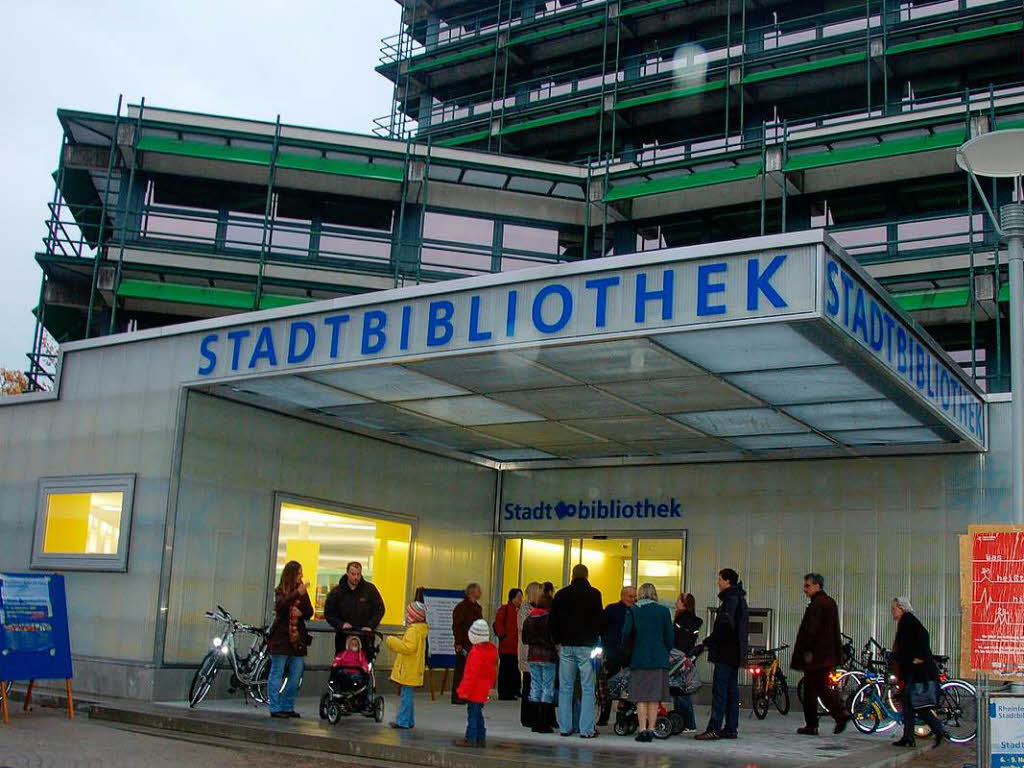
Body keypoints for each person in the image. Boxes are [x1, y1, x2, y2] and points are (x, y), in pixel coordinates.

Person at [792, 573, 850, 736]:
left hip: (817, 656)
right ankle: (821, 720)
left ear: (817, 585)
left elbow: (813, 629)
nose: (805, 589)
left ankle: (833, 716)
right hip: (825, 655)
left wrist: (807, 650)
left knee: (815, 688)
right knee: (815, 688)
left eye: (807, 586)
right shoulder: (828, 602)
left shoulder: (818, 604)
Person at [549, 563, 603, 738]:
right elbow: (599, 620)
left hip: (566, 646)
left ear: (572, 575)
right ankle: (586, 729)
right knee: (588, 688)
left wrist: (557, 641)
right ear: (587, 576)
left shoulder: (561, 594)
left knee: (566, 687)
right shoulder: (594, 594)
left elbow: (553, 621)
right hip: (587, 647)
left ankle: (565, 727)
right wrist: (595, 640)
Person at [696, 568, 748, 741]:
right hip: (734, 653)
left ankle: (714, 728)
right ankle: (731, 728)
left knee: (720, 691)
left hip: (726, 652)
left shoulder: (730, 600)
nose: (718, 582)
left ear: (727, 581)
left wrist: (708, 642)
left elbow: (725, 626)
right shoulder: (738, 598)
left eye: (720, 579)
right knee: (731, 691)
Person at [890, 596, 948, 748]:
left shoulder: (907, 622)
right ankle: (909, 736)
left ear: (901, 608)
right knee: (911, 703)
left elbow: (912, 643)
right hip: (914, 669)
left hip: (917, 671)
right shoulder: (907, 621)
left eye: (894, 608)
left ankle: (936, 731)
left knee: (915, 703)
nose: (892, 612)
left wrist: (918, 657)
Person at [623, 583, 674, 743]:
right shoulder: (664, 611)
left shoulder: (633, 610)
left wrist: (627, 652)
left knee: (641, 697)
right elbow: (669, 637)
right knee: (654, 697)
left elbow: (626, 634)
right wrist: (665, 650)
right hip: (658, 659)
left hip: (639, 658)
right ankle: (652, 729)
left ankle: (642, 729)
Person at [267, 560, 313, 719]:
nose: (301, 576)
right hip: (281, 637)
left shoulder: (303, 592)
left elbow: (309, 611)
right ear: (292, 574)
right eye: (299, 573)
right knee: (277, 672)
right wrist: (297, 593)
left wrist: (302, 613)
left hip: (296, 638)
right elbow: (280, 607)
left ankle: (287, 705)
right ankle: (275, 707)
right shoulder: (280, 590)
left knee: (296, 674)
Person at [453, 619, 498, 748]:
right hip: (483, 689)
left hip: (474, 690)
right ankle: (480, 737)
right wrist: (490, 686)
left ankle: (471, 738)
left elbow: (470, 675)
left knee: (472, 714)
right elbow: (493, 671)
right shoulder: (491, 651)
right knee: (478, 713)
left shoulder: (475, 653)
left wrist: (463, 690)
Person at [324, 562, 385, 654]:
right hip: (344, 638)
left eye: (358, 574)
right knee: (343, 662)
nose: (356, 577)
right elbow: (329, 613)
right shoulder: (337, 592)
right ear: (347, 573)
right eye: (353, 574)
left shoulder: (370, 590)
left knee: (365, 661)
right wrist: (341, 624)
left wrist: (370, 626)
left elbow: (380, 609)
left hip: (365, 638)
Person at [597, 585, 637, 726]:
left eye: (635, 596)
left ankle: (624, 715)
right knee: (608, 684)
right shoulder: (611, 609)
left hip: (629, 654)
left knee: (628, 686)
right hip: (613, 653)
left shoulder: (636, 611)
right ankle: (604, 715)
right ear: (623, 596)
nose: (633, 599)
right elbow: (601, 628)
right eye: (630, 596)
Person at [386, 601, 429, 730]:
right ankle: (409, 720)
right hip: (414, 668)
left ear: (414, 617)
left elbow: (408, 648)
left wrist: (392, 641)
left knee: (406, 697)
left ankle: (403, 721)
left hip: (409, 669)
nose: (406, 615)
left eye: (408, 613)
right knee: (408, 695)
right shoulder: (420, 630)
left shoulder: (413, 631)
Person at [521, 592, 557, 733]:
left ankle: (534, 721)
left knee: (535, 687)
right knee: (547, 688)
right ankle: (544, 722)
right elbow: (554, 638)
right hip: (547, 656)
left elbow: (524, 639)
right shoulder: (550, 618)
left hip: (533, 656)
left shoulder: (530, 617)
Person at [672, 592, 702, 732]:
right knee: (680, 691)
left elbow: (679, 640)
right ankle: (681, 722)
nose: (676, 603)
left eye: (678, 600)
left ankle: (688, 723)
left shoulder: (682, 620)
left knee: (681, 692)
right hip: (686, 658)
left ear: (684, 604)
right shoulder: (692, 620)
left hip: (680, 659)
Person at [451, 582, 484, 704]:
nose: (481, 592)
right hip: (464, 643)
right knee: (461, 670)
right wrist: (458, 642)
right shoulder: (462, 607)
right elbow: (457, 626)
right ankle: (458, 696)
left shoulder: (478, 608)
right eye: (478, 590)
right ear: (471, 592)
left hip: (475, 644)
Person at [517, 582, 542, 727]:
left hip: (536, 652)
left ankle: (534, 715)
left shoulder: (537, 609)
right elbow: (526, 629)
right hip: (528, 652)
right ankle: (527, 717)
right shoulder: (525, 610)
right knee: (528, 685)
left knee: (535, 685)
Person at [494, 588, 523, 700]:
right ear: (513, 598)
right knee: (506, 669)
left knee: (515, 669)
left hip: (517, 646)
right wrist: (503, 636)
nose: (521, 599)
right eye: (519, 596)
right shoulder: (505, 609)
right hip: (506, 646)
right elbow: (498, 623)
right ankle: (504, 692)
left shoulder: (520, 610)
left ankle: (514, 690)